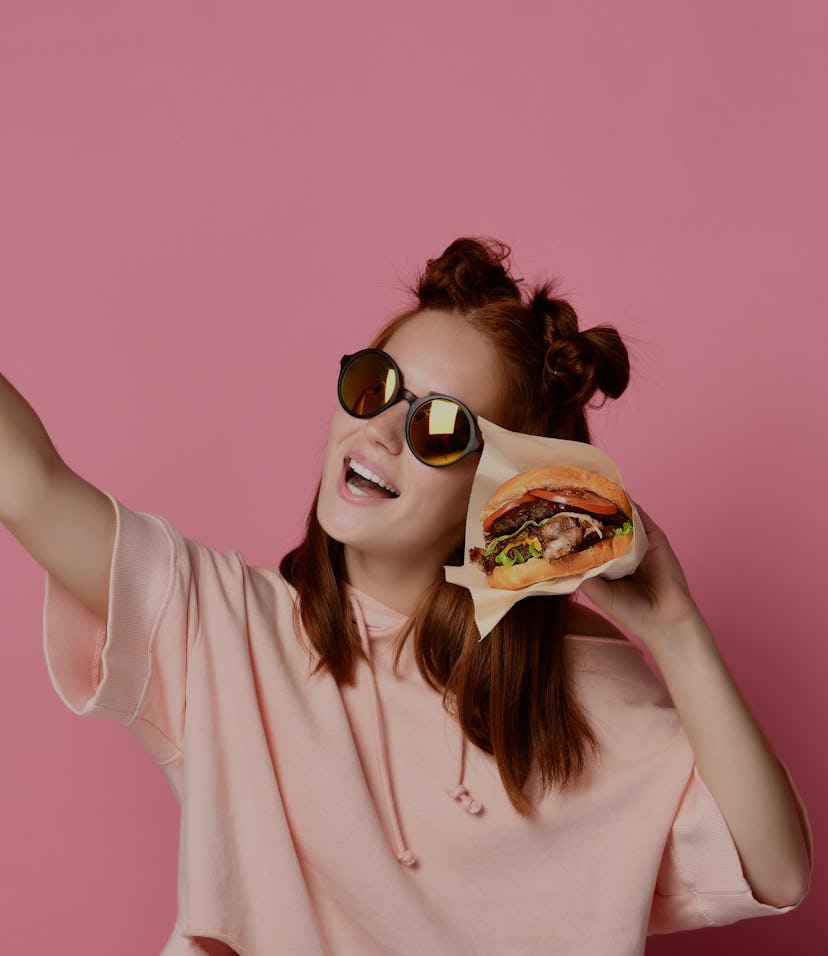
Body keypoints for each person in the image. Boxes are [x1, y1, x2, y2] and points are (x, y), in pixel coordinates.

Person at [0, 237, 812, 955]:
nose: (380, 431)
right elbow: (29, 484)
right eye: (372, 385)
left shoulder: (579, 694)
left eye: (439, 428)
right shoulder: (225, 628)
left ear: (500, 489)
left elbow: (775, 870)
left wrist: (676, 630)